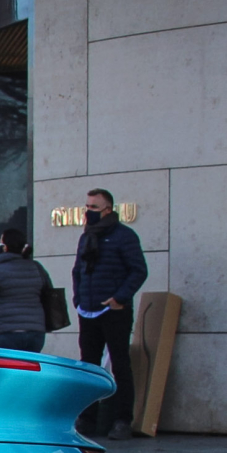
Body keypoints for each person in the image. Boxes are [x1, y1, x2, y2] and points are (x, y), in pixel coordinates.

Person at [72, 188, 149, 439]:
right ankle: (87, 419)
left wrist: (119, 298)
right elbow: (78, 271)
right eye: (87, 206)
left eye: (94, 207)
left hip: (113, 311)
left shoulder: (124, 236)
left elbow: (138, 270)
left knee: (120, 364)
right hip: (88, 310)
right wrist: (79, 298)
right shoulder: (86, 237)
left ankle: (122, 419)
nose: (88, 211)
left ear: (108, 210)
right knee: (89, 366)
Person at [0, 225, 55, 354]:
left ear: (5, 247)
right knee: (29, 372)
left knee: (7, 372)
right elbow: (50, 294)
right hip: (35, 332)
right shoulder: (36, 268)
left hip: (5, 332)